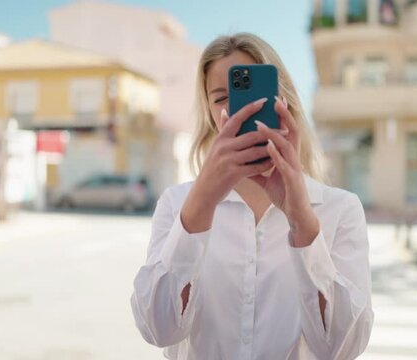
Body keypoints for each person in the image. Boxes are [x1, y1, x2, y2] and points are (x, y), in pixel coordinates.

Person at [131, 32, 373, 360]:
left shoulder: (340, 209)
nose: (236, 109)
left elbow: (342, 348)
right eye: (220, 97)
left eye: (247, 95)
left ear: (282, 101)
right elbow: (158, 330)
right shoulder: (177, 204)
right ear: (210, 115)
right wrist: (201, 205)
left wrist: (302, 220)